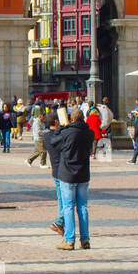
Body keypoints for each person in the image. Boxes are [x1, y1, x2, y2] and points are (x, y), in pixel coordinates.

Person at [44, 107, 93, 250]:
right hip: (83, 173)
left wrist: (60, 127)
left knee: (68, 206)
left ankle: (69, 239)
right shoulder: (89, 132)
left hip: (67, 174)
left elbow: (53, 141)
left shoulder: (66, 132)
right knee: (83, 207)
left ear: (71, 119)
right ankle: (85, 240)